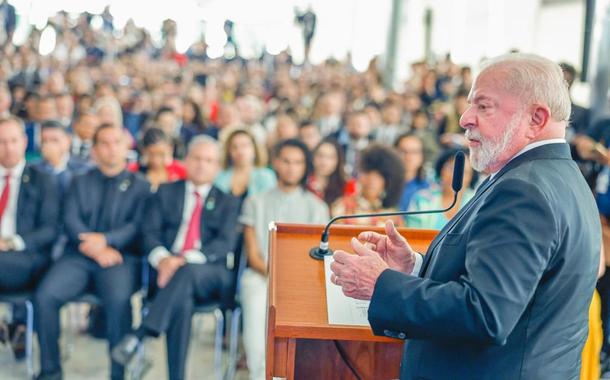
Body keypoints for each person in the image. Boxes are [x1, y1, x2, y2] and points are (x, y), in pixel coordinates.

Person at [330, 53, 601, 379]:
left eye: (483, 106)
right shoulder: (554, 176)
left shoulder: (524, 191)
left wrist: (382, 284)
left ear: (536, 119)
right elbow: (506, 288)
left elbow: (485, 313)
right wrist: (414, 269)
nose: (464, 118)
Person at [112, 136, 240, 380]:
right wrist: (163, 260)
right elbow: (149, 233)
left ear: (217, 166)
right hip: (168, 276)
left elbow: (225, 245)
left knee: (187, 272)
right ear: (186, 161)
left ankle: (140, 334)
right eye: (197, 159)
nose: (202, 165)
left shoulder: (228, 201)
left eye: (209, 160)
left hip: (210, 275)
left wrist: (181, 260)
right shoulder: (165, 192)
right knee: (182, 302)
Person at [34, 124, 150, 380]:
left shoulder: (141, 185)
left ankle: (118, 374)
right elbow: (70, 217)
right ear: (95, 150)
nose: (110, 149)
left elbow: (137, 225)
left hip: (121, 258)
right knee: (45, 296)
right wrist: (96, 248)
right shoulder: (80, 180)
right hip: (78, 256)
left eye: (116, 142)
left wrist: (108, 240)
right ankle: (50, 372)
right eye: (104, 143)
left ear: (126, 147)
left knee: (119, 301)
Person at [240, 139, 329, 380]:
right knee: (259, 342)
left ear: (305, 166)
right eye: (287, 161)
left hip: (302, 284)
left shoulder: (317, 207)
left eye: (298, 162)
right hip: (260, 278)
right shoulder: (254, 202)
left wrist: (291, 281)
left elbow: (318, 260)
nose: (292, 168)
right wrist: (275, 276)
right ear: (276, 163)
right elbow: (253, 255)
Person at [0, 116, 59, 357]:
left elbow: (50, 229)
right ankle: (12, 328)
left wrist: (11, 242)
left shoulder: (43, 180)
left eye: (14, 140)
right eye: (2, 141)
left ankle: (15, 327)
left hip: (26, 258)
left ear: (25, 142)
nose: (9, 147)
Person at [331, 144, 404, 226]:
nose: (371, 180)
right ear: (359, 174)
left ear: (388, 181)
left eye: (379, 175)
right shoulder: (343, 206)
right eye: (367, 172)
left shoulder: (393, 214)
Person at [406, 149, 475, 230]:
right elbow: (414, 235)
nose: (454, 176)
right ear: (441, 169)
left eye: (464, 172)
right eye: (450, 168)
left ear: (471, 177)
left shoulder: (476, 201)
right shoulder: (422, 199)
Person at [214, 128, 276, 200]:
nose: (239, 151)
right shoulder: (220, 176)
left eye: (244, 145)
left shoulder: (266, 176)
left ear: (254, 149)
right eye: (234, 147)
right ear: (229, 152)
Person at [307, 138, 356, 206]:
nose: (324, 162)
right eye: (320, 156)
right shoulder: (305, 183)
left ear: (338, 161)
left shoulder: (346, 185)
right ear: (313, 158)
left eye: (330, 157)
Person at [394, 133, 430, 214]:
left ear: (422, 156)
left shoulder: (428, 188)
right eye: (403, 152)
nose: (408, 157)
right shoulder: (383, 185)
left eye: (414, 152)